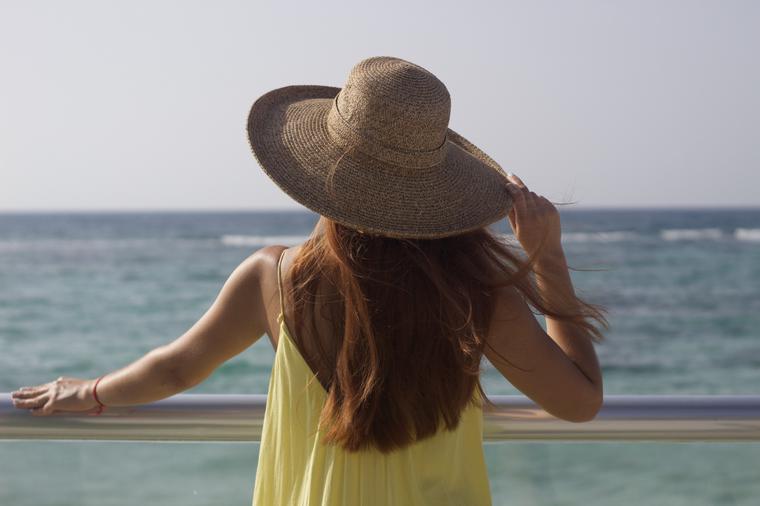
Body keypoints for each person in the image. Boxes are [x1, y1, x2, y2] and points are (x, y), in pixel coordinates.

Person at [12, 56, 608, 505]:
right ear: (439, 187)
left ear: (322, 173)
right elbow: (579, 404)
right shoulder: (477, 293)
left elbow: (175, 369)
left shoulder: (273, 276)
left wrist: (88, 392)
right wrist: (547, 258)